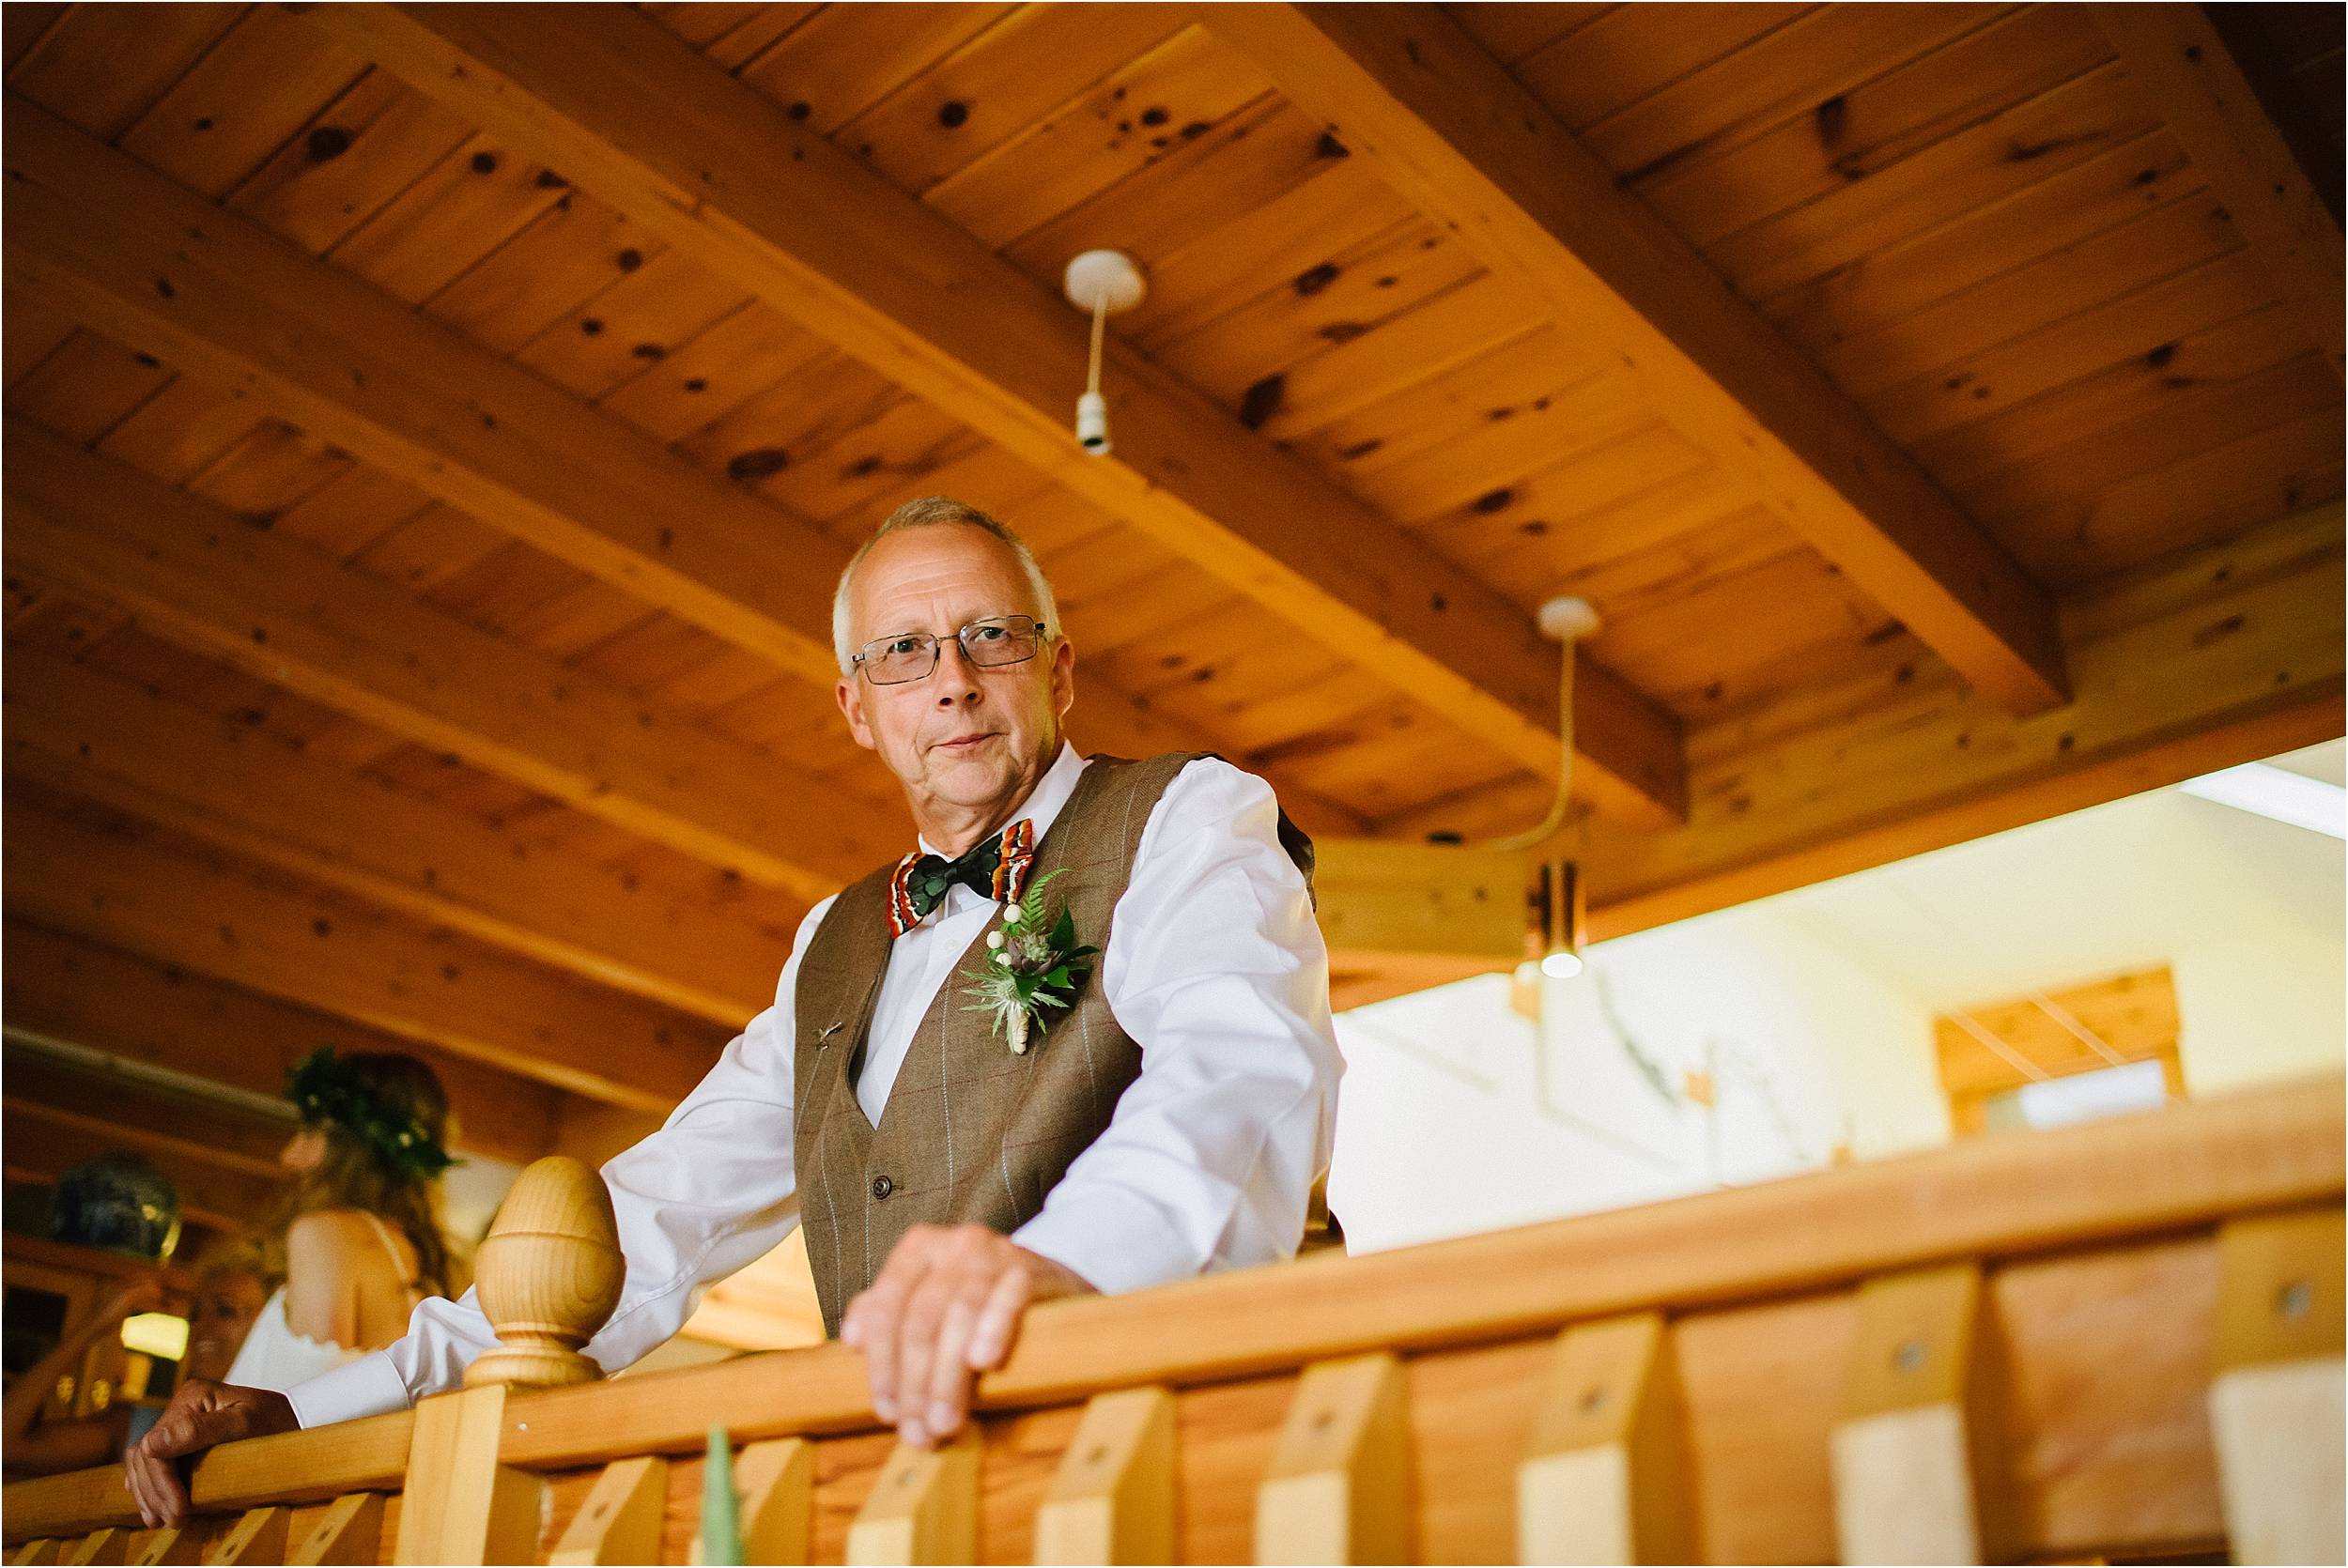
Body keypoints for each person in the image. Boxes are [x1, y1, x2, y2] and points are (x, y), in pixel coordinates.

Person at [127, 497, 1341, 1527]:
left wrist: (1057, 1262)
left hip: (1178, 1474)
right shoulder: (832, 943)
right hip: (900, 1501)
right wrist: (317, 1407)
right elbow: (644, 1222)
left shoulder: (1187, 816)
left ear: (1061, 668)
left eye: (993, 637)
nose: (955, 681)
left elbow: (1238, 1064)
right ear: (858, 708)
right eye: (905, 652)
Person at [221, 1049, 457, 1393]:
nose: (289, 1155)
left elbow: (310, 1404)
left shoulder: (324, 1236)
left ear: (349, 1149)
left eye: (309, 1132)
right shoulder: (425, 1262)